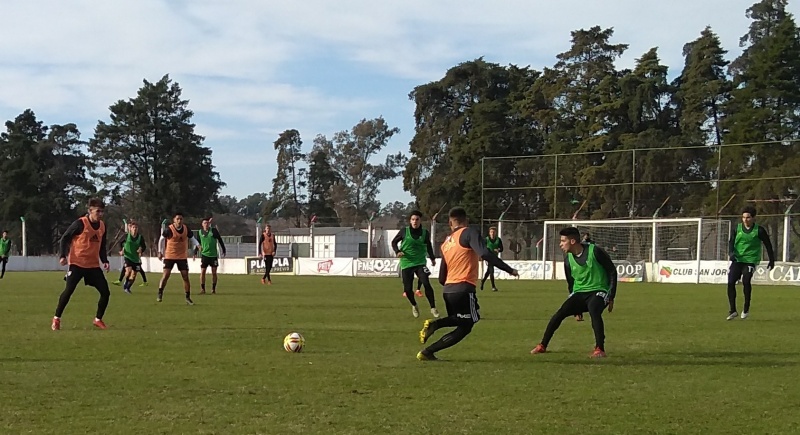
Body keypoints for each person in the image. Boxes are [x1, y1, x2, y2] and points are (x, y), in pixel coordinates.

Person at [417, 207, 518, 361]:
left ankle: (433, 330)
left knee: (459, 319)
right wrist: (508, 269)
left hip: (448, 290)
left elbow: (441, 277)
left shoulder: (446, 243)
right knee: (468, 324)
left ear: (451, 223)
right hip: (463, 287)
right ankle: (428, 349)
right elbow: (484, 253)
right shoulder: (469, 233)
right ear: (466, 220)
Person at [530, 227, 617, 358]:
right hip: (580, 293)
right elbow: (571, 284)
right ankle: (542, 345)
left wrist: (611, 296)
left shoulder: (595, 251)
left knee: (594, 310)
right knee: (560, 313)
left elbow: (612, 271)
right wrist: (576, 307)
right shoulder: (567, 261)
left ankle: (599, 349)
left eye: (563, 241)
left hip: (599, 291)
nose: (560, 244)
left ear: (572, 241)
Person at [51, 198, 111, 331]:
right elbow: (64, 238)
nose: (100, 214)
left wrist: (105, 261)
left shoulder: (102, 226)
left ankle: (98, 319)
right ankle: (56, 318)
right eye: (98, 211)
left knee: (105, 292)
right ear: (90, 211)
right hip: (77, 263)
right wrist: (62, 255)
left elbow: (102, 246)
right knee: (69, 290)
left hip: (93, 265)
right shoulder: (80, 223)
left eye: (102, 212)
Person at [726, 206, 775, 320]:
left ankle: (746, 308)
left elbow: (768, 245)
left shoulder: (759, 230)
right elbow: (731, 242)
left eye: (748, 217)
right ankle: (733, 310)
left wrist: (771, 260)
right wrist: (731, 253)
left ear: (753, 218)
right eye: (743, 217)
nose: (745, 220)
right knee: (730, 282)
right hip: (738, 260)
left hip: (750, 260)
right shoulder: (737, 229)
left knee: (746, 280)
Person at [391, 210, 439, 318]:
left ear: (420, 220)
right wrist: (397, 251)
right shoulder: (404, 231)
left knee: (426, 282)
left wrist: (432, 258)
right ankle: (414, 305)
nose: (415, 222)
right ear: (410, 221)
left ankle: (433, 308)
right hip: (407, 263)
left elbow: (428, 246)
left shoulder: (425, 233)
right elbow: (394, 242)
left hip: (420, 262)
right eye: (413, 219)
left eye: (417, 219)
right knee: (408, 289)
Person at [157, 212, 198, 305]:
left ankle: (188, 297)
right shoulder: (169, 229)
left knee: (185, 276)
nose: (179, 221)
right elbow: (161, 239)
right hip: (170, 255)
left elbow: (192, 238)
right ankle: (160, 292)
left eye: (181, 219)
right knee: (166, 275)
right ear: (174, 220)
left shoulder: (186, 229)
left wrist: (198, 245)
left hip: (182, 256)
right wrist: (160, 251)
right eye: (177, 219)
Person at [194, 217, 226, 294]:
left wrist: (223, 249)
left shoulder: (213, 231)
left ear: (209, 224)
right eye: (204, 223)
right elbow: (198, 243)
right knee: (202, 272)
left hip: (213, 255)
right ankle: (202, 289)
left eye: (207, 223)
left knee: (214, 272)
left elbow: (220, 239)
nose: (206, 224)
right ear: (202, 224)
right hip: (204, 255)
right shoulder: (200, 232)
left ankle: (213, 289)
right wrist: (195, 252)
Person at [113, 222, 149, 287]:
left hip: (135, 258)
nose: (135, 229)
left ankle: (127, 287)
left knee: (134, 275)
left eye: (136, 227)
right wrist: (121, 250)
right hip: (127, 256)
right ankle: (124, 282)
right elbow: (120, 243)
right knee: (128, 271)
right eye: (133, 227)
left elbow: (144, 246)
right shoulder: (126, 236)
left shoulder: (140, 237)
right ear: (130, 229)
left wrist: (141, 250)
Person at [480, 226, 504, 291]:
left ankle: (482, 281)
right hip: (488, 258)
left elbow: (502, 249)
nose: (492, 233)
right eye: (491, 232)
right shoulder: (486, 240)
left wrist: (498, 249)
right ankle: (493, 287)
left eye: (494, 232)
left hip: (495, 258)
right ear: (489, 233)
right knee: (491, 271)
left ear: (496, 233)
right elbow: (482, 248)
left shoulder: (498, 240)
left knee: (488, 272)